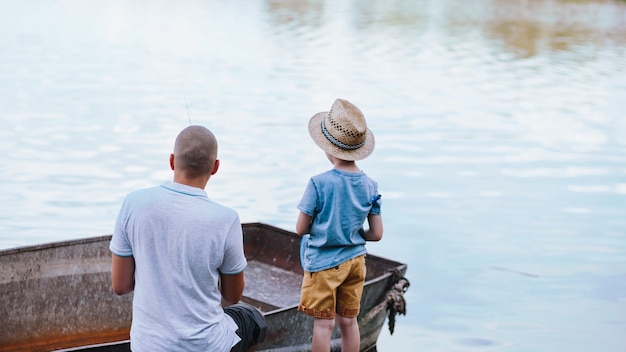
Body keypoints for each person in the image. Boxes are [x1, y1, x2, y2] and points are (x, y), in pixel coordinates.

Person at [110, 125, 266, 352]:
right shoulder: (226, 219)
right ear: (215, 167)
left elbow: (121, 286)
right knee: (253, 320)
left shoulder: (133, 203)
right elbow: (232, 296)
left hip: (147, 345)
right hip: (205, 346)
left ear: (172, 161)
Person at [295, 98, 383, 352]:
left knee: (323, 326)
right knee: (349, 322)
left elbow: (301, 229)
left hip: (324, 265)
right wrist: (352, 233)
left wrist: (324, 230)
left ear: (327, 147)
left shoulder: (318, 183)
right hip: (356, 262)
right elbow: (376, 234)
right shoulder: (370, 185)